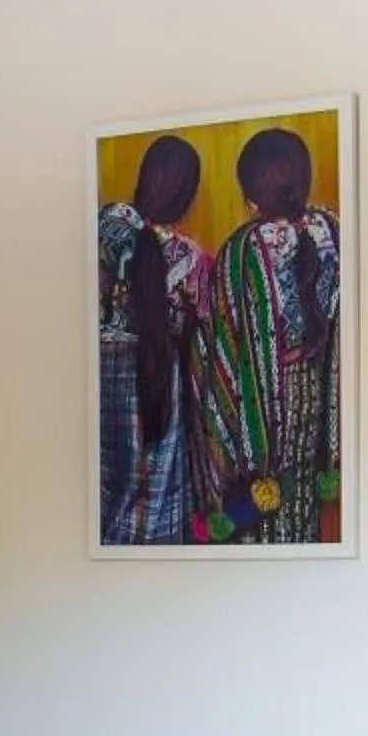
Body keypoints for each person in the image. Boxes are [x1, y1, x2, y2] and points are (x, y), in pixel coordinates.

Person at [190, 125, 341, 544]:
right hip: (312, 392)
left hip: (256, 404)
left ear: (251, 197)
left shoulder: (241, 251)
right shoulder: (328, 231)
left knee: (257, 511)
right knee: (300, 503)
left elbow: (217, 343)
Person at [95, 135, 209, 544]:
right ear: (187, 195)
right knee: (152, 498)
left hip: (98, 373)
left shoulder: (107, 222)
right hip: (159, 377)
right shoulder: (193, 260)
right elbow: (200, 333)